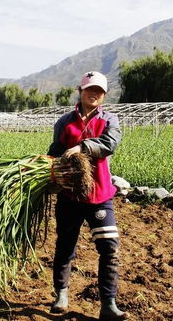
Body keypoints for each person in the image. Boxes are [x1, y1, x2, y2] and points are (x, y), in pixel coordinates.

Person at [47, 71, 128, 320]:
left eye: (99, 91)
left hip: (100, 195)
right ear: (80, 91)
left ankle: (108, 304)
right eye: (90, 89)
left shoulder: (109, 120)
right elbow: (54, 152)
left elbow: (109, 144)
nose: (94, 94)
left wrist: (81, 147)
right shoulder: (65, 122)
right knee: (65, 246)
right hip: (70, 196)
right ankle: (61, 294)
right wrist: (50, 171)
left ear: (104, 95)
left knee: (109, 248)